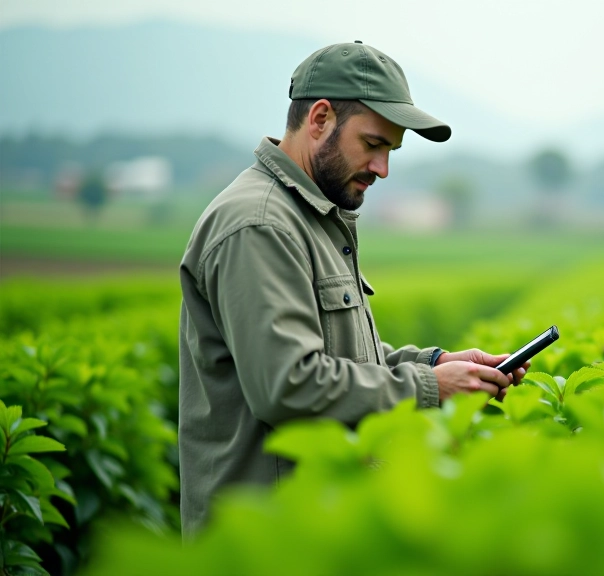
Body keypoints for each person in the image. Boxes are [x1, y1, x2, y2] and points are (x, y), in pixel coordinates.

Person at [177, 41, 526, 537]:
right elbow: (290, 385)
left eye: (390, 151)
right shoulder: (259, 224)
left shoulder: (308, 215)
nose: (382, 169)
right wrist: (430, 388)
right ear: (320, 119)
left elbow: (341, 356)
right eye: (373, 144)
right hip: (268, 542)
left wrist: (435, 363)